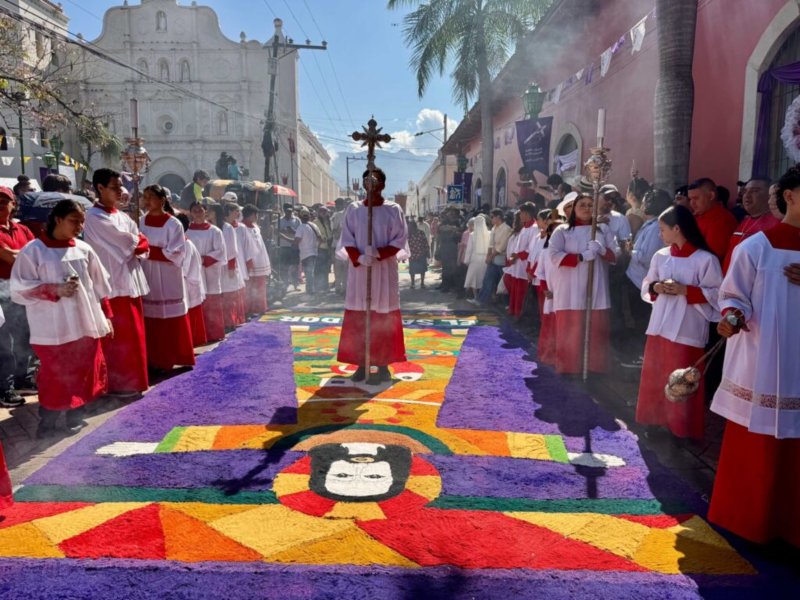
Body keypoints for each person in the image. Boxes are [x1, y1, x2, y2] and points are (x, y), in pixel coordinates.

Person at [707, 165, 800, 548]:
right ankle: (746, 520)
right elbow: (731, 296)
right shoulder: (757, 247)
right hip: (766, 361)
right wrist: (731, 316)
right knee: (757, 441)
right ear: (790, 196)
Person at [10, 200, 113, 437]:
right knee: (54, 375)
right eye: (74, 221)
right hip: (51, 327)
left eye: (82, 222)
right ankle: (48, 421)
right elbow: (18, 289)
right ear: (58, 219)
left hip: (85, 321)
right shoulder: (34, 250)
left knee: (83, 371)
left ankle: (75, 416)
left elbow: (101, 286)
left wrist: (107, 316)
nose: (80, 226)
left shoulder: (84, 249)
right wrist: (54, 289)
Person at [636, 205, 722, 439]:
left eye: (662, 229)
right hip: (660, 325)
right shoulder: (660, 256)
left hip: (687, 328)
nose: (659, 234)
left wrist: (687, 290)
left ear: (677, 228)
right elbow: (647, 284)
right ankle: (653, 421)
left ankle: (680, 428)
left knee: (682, 379)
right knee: (656, 374)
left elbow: (719, 295)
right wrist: (657, 287)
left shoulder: (706, 259)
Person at [337, 167, 407, 384]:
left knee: (383, 318)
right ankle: (360, 363)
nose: (371, 185)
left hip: (384, 271)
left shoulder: (393, 210)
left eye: (375, 181)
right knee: (359, 318)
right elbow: (346, 237)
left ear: (383, 185)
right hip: (360, 273)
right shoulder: (354, 209)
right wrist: (358, 257)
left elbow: (399, 239)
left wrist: (378, 254)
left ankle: (383, 365)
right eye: (367, 180)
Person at [83, 168, 150, 396]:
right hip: (112, 284)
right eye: (115, 187)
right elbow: (129, 242)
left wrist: (136, 242)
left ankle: (136, 381)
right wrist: (136, 242)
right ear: (100, 188)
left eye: (121, 186)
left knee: (135, 335)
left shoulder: (121, 216)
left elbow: (140, 242)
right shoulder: (94, 217)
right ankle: (119, 384)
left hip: (130, 280)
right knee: (119, 338)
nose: (120, 191)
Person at [548, 193, 617, 374]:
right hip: (570, 288)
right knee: (571, 330)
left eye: (589, 205)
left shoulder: (602, 230)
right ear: (573, 209)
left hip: (596, 286)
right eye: (582, 205)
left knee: (596, 331)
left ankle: (594, 368)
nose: (586, 208)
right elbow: (554, 256)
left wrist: (602, 250)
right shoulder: (562, 230)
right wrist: (581, 257)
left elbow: (616, 256)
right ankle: (569, 368)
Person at [139, 185, 195, 371]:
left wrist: (147, 250)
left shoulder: (174, 224)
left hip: (168, 275)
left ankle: (171, 357)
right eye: (144, 197)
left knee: (169, 318)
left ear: (162, 200)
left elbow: (177, 253)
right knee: (151, 318)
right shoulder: (140, 221)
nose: (147, 201)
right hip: (148, 273)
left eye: (151, 197)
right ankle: (152, 359)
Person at [621, 189, 673, 368]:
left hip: (641, 280)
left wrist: (629, 251)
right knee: (636, 319)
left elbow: (647, 256)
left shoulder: (654, 228)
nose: (642, 206)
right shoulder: (649, 224)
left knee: (640, 320)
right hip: (636, 279)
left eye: (644, 202)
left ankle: (642, 356)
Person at [0, 187, 35, 407]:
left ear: (14, 204)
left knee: (26, 336)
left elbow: (34, 253)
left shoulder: (22, 229)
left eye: (6, 200)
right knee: (5, 342)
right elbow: (13, 258)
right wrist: (25, 255)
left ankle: (25, 378)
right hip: (1, 290)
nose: (2, 204)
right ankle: (5, 387)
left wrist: (20, 255)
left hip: (23, 288)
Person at [721, 177, 781, 274]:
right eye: (745, 191)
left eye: (755, 191)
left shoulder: (777, 223)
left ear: (769, 195)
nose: (747, 195)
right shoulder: (744, 221)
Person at [187, 201, 226, 342]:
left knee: (212, 300)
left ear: (206, 212)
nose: (197, 212)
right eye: (195, 210)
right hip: (193, 271)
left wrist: (203, 259)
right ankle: (199, 334)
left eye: (200, 210)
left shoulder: (215, 231)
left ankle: (214, 333)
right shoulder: (186, 231)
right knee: (196, 300)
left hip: (210, 270)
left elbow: (220, 251)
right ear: (190, 212)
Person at [688, 178, 738, 263]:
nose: (692, 203)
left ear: (711, 196)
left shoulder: (721, 219)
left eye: (696, 198)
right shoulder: (697, 216)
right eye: (690, 199)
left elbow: (712, 256)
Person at [176, 214, 207, 347]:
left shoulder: (185, 244)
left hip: (189, 284)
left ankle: (193, 341)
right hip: (190, 283)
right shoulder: (183, 242)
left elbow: (184, 268)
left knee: (192, 315)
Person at [504, 203, 538, 318]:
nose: (520, 216)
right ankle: (514, 311)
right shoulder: (525, 227)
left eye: (522, 213)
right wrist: (514, 256)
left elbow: (531, 249)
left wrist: (517, 255)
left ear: (527, 213)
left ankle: (520, 314)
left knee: (522, 291)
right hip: (517, 263)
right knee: (515, 289)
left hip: (524, 264)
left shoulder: (534, 228)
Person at [476, 208, 513, 306]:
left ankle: (507, 304)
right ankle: (482, 300)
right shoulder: (494, 228)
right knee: (487, 280)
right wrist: (488, 255)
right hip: (493, 258)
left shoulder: (506, 229)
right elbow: (491, 244)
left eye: (492, 217)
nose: (491, 219)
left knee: (503, 283)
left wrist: (491, 256)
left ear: (498, 217)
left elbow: (502, 246)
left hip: (501, 259)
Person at [220, 203, 247, 328]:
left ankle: (235, 319)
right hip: (225, 263)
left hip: (236, 260)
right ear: (229, 211)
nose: (238, 213)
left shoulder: (239, 227)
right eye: (236, 210)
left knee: (234, 291)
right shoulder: (224, 227)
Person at [241, 204, 271, 315]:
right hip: (249, 261)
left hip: (260, 261)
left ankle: (260, 307)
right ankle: (249, 309)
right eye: (256, 214)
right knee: (250, 288)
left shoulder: (256, 227)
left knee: (260, 286)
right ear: (251, 215)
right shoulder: (241, 228)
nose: (257, 216)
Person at [294, 207, 320, 296]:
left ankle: (310, 291)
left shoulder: (301, 227)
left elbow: (297, 240)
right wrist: (316, 246)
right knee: (311, 272)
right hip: (314, 252)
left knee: (309, 273)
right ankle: (311, 289)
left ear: (300, 217)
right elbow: (320, 238)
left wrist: (282, 236)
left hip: (306, 254)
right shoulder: (314, 226)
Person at [464, 215, 489, 299]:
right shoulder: (489, 233)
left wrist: (466, 261)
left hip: (475, 259)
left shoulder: (472, 235)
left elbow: (469, 249)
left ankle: (476, 297)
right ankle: (484, 297)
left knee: (474, 279)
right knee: (483, 278)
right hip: (486, 259)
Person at [277, 204, 301, 291]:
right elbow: (276, 232)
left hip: (294, 246)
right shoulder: (280, 220)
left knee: (295, 266)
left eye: (290, 211)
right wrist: (283, 231)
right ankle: (285, 284)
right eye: (287, 211)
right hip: (283, 246)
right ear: (284, 211)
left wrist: (293, 231)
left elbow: (301, 232)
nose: (289, 213)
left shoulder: (297, 220)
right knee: (284, 266)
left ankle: (295, 284)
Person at [314, 206, 334, 293]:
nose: (326, 214)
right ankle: (318, 287)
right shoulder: (315, 222)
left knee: (326, 269)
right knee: (319, 268)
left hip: (327, 249)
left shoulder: (327, 222)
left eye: (326, 212)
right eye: (324, 212)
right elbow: (315, 235)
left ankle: (325, 286)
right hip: (320, 248)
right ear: (320, 213)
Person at [407, 219, 429, 289]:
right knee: (412, 270)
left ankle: (422, 283)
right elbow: (406, 245)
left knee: (422, 269)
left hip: (421, 253)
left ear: (414, 226)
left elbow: (425, 242)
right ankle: (412, 283)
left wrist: (427, 252)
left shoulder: (421, 233)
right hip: (412, 255)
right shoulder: (408, 235)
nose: (409, 228)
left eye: (410, 226)